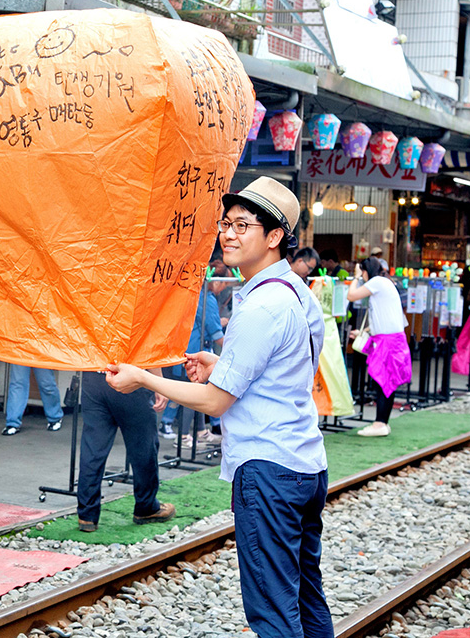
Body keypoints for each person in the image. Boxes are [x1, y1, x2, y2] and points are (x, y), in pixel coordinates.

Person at [105, 176, 332, 638]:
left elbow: (215, 401)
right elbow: (285, 367)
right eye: (226, 223)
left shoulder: (261, 306)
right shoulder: (297, 293)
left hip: (268, 469)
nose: (228, 234)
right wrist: (222, 363)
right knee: (306, 594)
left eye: (243, 225)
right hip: (305, 461)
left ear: (274, 238)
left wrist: (146, 378)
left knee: (272, 609)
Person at [76, 371, 175, 533]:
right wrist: (159, 382)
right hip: (129, 375)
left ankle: (87, 514)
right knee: (143, 446)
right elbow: (149, 346)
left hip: (94, 375)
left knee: (93, 447)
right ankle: (146, 506)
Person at [346, 256, 412, 437]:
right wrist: (364, 331)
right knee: (385, 382)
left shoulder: (377, 282)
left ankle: (380, 423)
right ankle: (382, 422)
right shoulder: (385, 283)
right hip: (391, 339)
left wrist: (356, 278)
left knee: (383, 382)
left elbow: (351, 295)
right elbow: (385, 317)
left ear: (366, 271)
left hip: (387, 342)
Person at [161, 265, 226, 446]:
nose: (224, 288)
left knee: (195, 390)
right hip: (194, 351)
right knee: (194, 394)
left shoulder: (188, 295)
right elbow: (216, 334)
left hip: (184, 349)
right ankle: (183, 437)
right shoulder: (207, 298)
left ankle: (201, 431)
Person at [2, 364, 64, 434]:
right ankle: (12, 423)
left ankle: (55, 417)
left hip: (40, 353)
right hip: (22, 353)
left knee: (46, 383)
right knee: (18, 383)